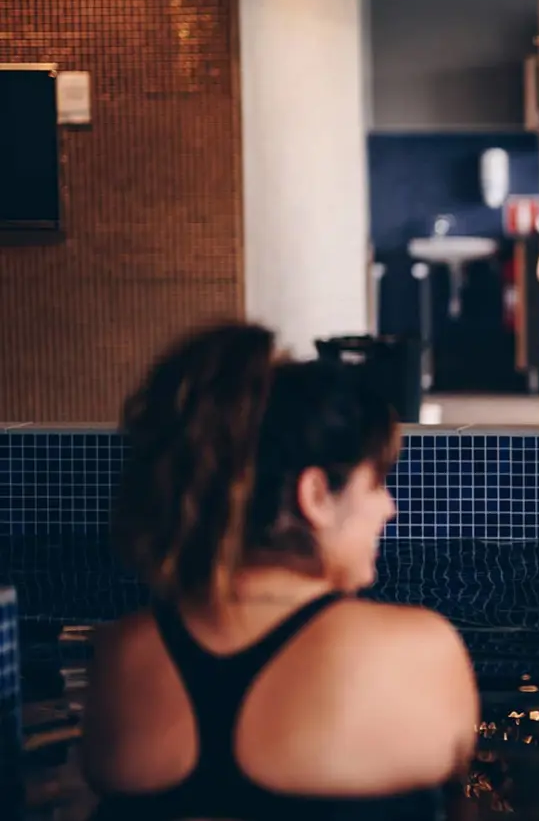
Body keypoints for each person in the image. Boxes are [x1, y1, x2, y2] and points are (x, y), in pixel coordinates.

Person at [82, 323, 478, 820]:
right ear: (316, 495)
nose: (389, 508)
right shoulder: (416, 649)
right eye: (376, 483)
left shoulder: (125, 654)